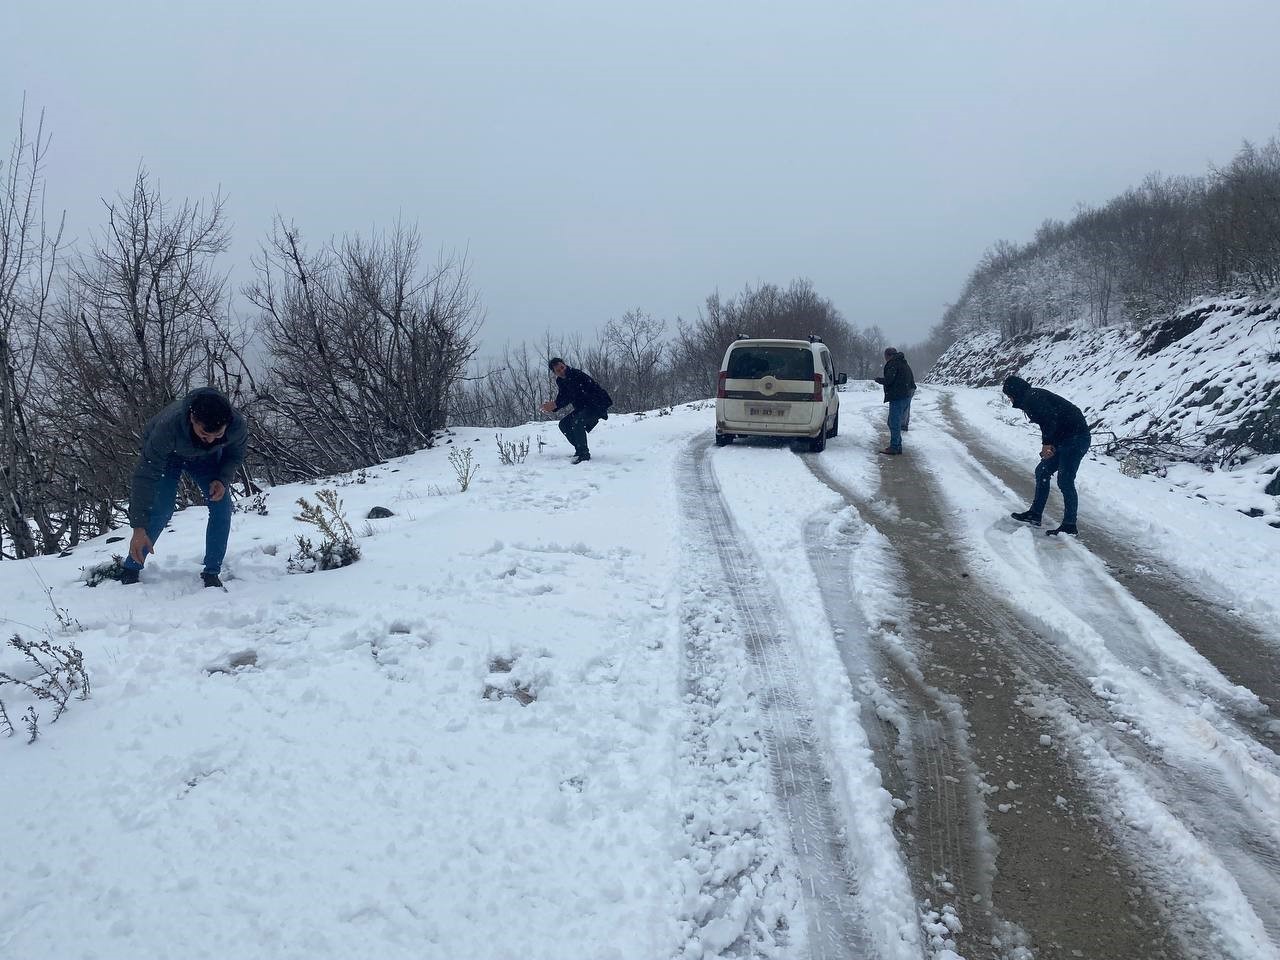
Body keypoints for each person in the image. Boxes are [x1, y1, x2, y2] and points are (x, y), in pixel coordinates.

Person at [123, 387, 249, 587]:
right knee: (162, 509)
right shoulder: (167, 428)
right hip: (169, 456)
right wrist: (138, 528)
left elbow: (235, 455)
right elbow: (145, 477)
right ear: (192, 418)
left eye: (217, 435)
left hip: (204, 459)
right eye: (204, 433)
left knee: (222, 506)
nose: (209, 440)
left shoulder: (236, 426)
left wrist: (221, 478)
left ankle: (211, 573)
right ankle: (131, 568)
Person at [1002, 375, 1091, 536]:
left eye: (1009, 395)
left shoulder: (1033, 398)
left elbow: (1049, 420)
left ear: (1015, 391)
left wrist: (1047, 444)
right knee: (1042, 471)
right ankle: (1035, 514)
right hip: (1063, 439)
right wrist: (1051, 445)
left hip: (1076, 438)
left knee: (1065, 479)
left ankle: (1070, 525)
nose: (1009, 399)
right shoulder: (1032, 397)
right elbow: (1052, 421)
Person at [539, 358, 612, 464]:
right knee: (564, 424)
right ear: (554, 373)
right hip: (584, 407)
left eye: (562, 367)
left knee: (577, 422)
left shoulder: (575, 374)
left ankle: (584, 454)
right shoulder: (560, 381)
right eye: (558, 371)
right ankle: (579, 449)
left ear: (565, 365)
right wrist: (553, 406)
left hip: (597, 405)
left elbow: (572, 394)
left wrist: (555, 404)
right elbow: (562, 397)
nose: (561, 371)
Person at [874, 347, 916, 455]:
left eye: (885, 356)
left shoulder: (893, 364)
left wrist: (879, 380)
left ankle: (894, 447)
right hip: (905, 395)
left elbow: (889, 380)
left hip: (898, 396)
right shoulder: (903, 363)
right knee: (893, 422)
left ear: (888, 355)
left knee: (894, 422)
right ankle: (898, 445)